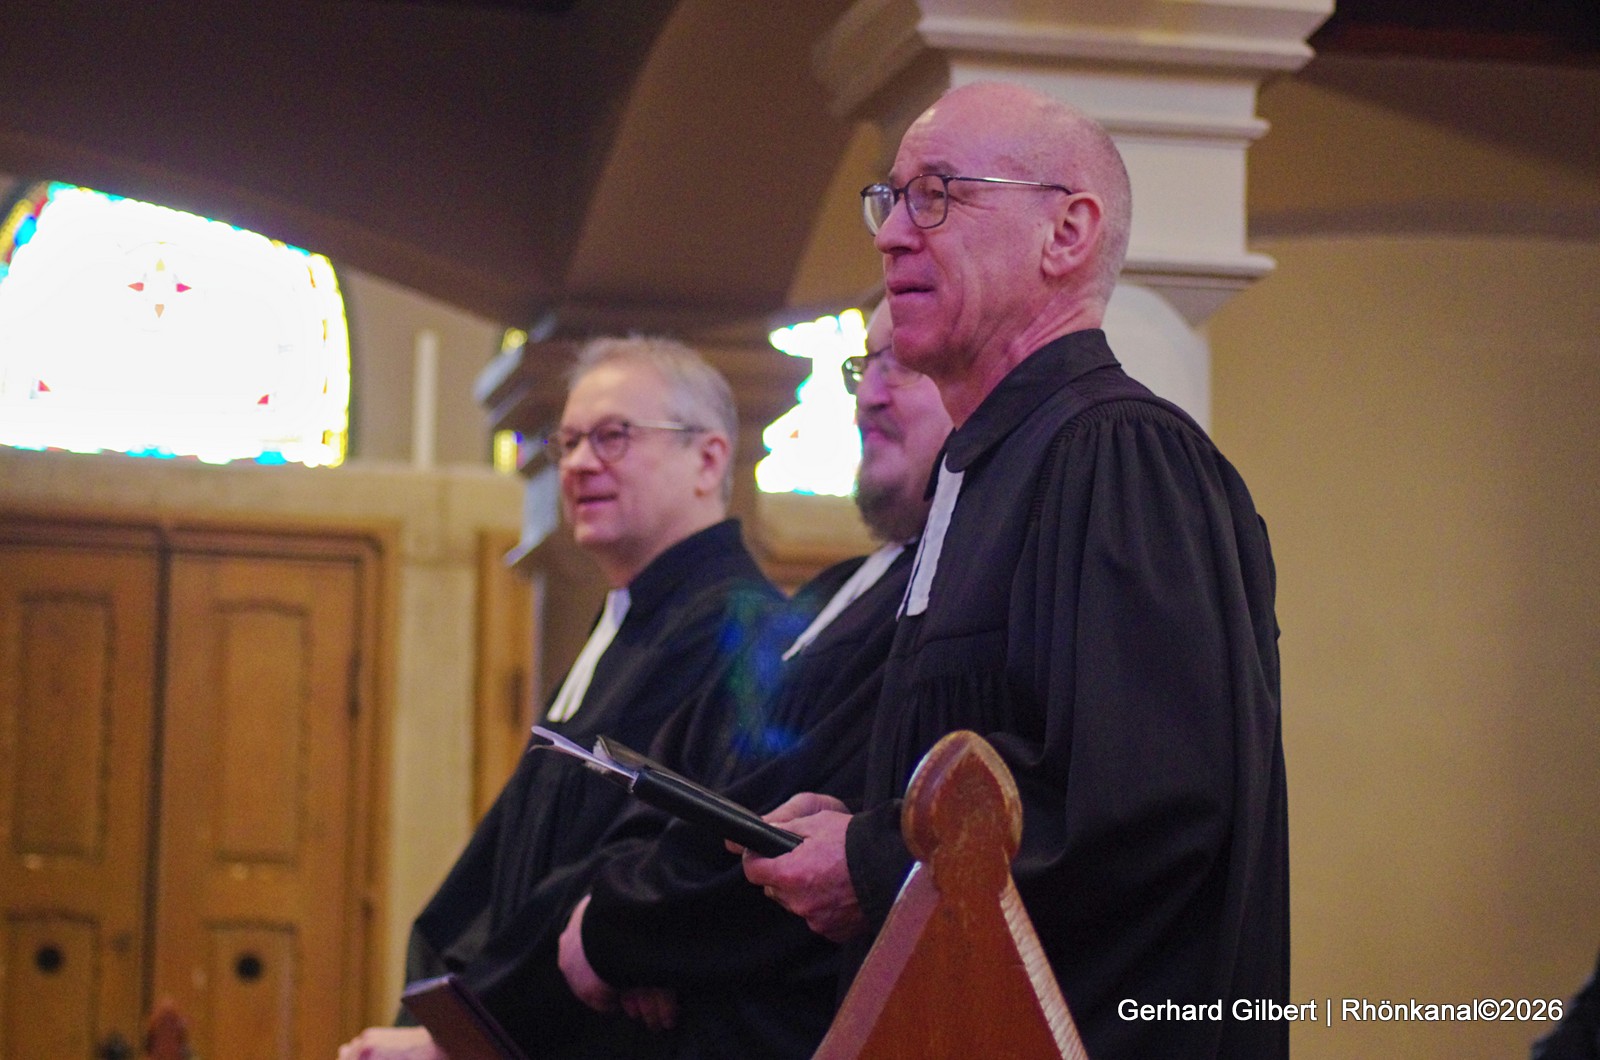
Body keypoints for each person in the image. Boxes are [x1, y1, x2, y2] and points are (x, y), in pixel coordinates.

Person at [741, 80, 1289, 1060]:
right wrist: (869, 826)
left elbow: (1144, 807)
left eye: (937, 195)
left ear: (1066, 232)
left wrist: (872, 861)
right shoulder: (979, 472)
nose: (891, 235)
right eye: (890, 199)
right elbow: (995, 775)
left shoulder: (1117, 455)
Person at [338, 337, 782, 1060]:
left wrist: (467, 1034)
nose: (577, 463)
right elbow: (509, 859)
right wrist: (439, 1010)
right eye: (568, 441)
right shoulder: (625, 622)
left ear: (707, 460)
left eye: (613, 436)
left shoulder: (733, 629)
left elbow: (640, 870)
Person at [550, 300, 952, 1059]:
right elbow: (668, 779)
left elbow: (796, 817)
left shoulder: (949, 595)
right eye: (862, 368)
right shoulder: (829, 591)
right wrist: (621, 913)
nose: (867, 396)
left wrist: (627, 931)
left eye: (901, 362)